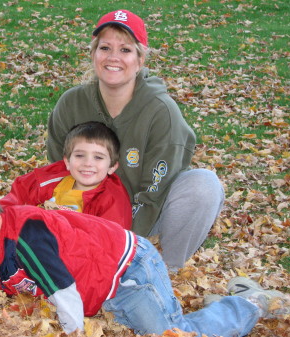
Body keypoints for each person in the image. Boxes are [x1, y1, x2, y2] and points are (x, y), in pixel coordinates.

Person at [0, 179, 290, 336]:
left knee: (170, 334)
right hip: (100, 289)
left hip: (129, 272)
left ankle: (249, 304)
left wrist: (74, 331)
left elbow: (64, 293)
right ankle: (223, 304)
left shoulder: (27, 234)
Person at [46, 9, 225, 269]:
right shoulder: (71, 103)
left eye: (126, 50)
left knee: (203, 185)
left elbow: (154, 191)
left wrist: (121, 243)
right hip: (85, 210)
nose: (113, 58)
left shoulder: (161, 111)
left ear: (140, 60)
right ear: (93, 54)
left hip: (145, 211)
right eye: (105, 48)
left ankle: (166, 270)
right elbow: (55, 170)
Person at [0, 121, 132, 229]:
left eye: (98, 157)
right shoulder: (50, 180)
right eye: (80, 155)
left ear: (112, 166)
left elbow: (111, 243)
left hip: (76, 255)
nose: (88, 163)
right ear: (67, 161)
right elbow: (14, 200)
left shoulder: (112, 200)